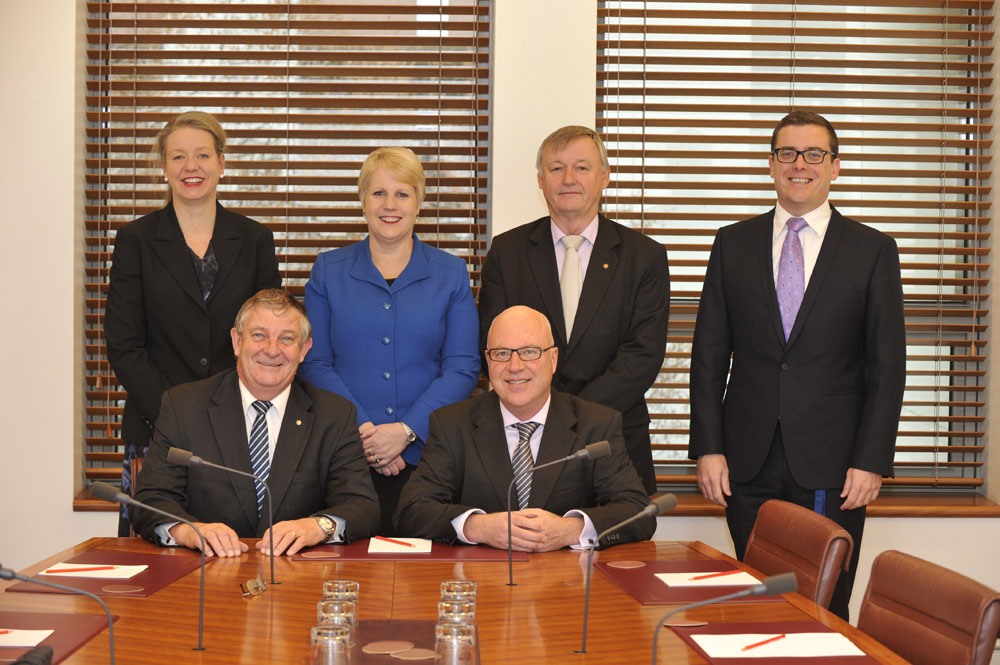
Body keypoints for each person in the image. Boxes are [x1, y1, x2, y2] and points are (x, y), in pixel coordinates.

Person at [688, 111, 906, 620]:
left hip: (835, 464)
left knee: (825, 603)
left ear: (835, 167)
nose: (799, 164)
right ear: (770, 165)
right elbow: (708, 355)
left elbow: (888, 365)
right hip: (746, 461)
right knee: (756, 599)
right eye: (787, 153)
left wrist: (872, 459)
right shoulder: (732, 243)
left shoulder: (873, 250)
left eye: (814, 154)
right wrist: (709, 448)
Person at [105, 111, 281, 535]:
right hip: (154, 423)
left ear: (222, 162)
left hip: (239, 426)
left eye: (203, 155)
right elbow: (125, 345)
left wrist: (224, 414)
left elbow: (269, 336)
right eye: (178, 156)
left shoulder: (256, 239)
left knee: (238, 551)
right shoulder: (135, 240)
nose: (191, 167)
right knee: (156, 556)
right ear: (162, 166)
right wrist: (176, 415)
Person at [477, 125, 669, 495]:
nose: (568, 179)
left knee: (617, 550)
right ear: (540, 180)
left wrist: (569, 418)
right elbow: (494, 346)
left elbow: (642, 356)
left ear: (604, 176)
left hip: (613, 440)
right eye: (556, 168)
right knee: (529, 547)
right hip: (524, 443)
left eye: (581, 167)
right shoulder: (508, 252)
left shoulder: (644, 257)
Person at [300, 147, 480, 535]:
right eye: (378, 192)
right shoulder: (328, 270)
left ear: (419, 202)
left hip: (428, 457)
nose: (389, 204)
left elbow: (462, 367)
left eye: (402, 193)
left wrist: (405, 431)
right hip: (344, 455)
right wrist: (365, 432)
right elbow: (314, 362)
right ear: (362, 199)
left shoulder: (451, 273)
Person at [132, 289, 380, 557]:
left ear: (304, 350)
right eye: (259, 336)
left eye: (287, 339)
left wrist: (317, 526)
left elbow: (361, 505)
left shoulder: (334, 414)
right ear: (237, 342)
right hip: (205, 574)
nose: (272, 350)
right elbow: (150, 501)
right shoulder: (183, 406)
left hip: (299, 580)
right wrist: (190, 531)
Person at [394, 306, 654, 551]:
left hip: (566, 585)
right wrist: (478, 527)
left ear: (553, 359)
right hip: (483, 582)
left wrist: (571, 529)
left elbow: (639, 513)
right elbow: (411, 511)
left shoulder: (596, 425)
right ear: (488, 360)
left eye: (529, 351)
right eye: (502, 353)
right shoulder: (452, 424)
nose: (515, 366)